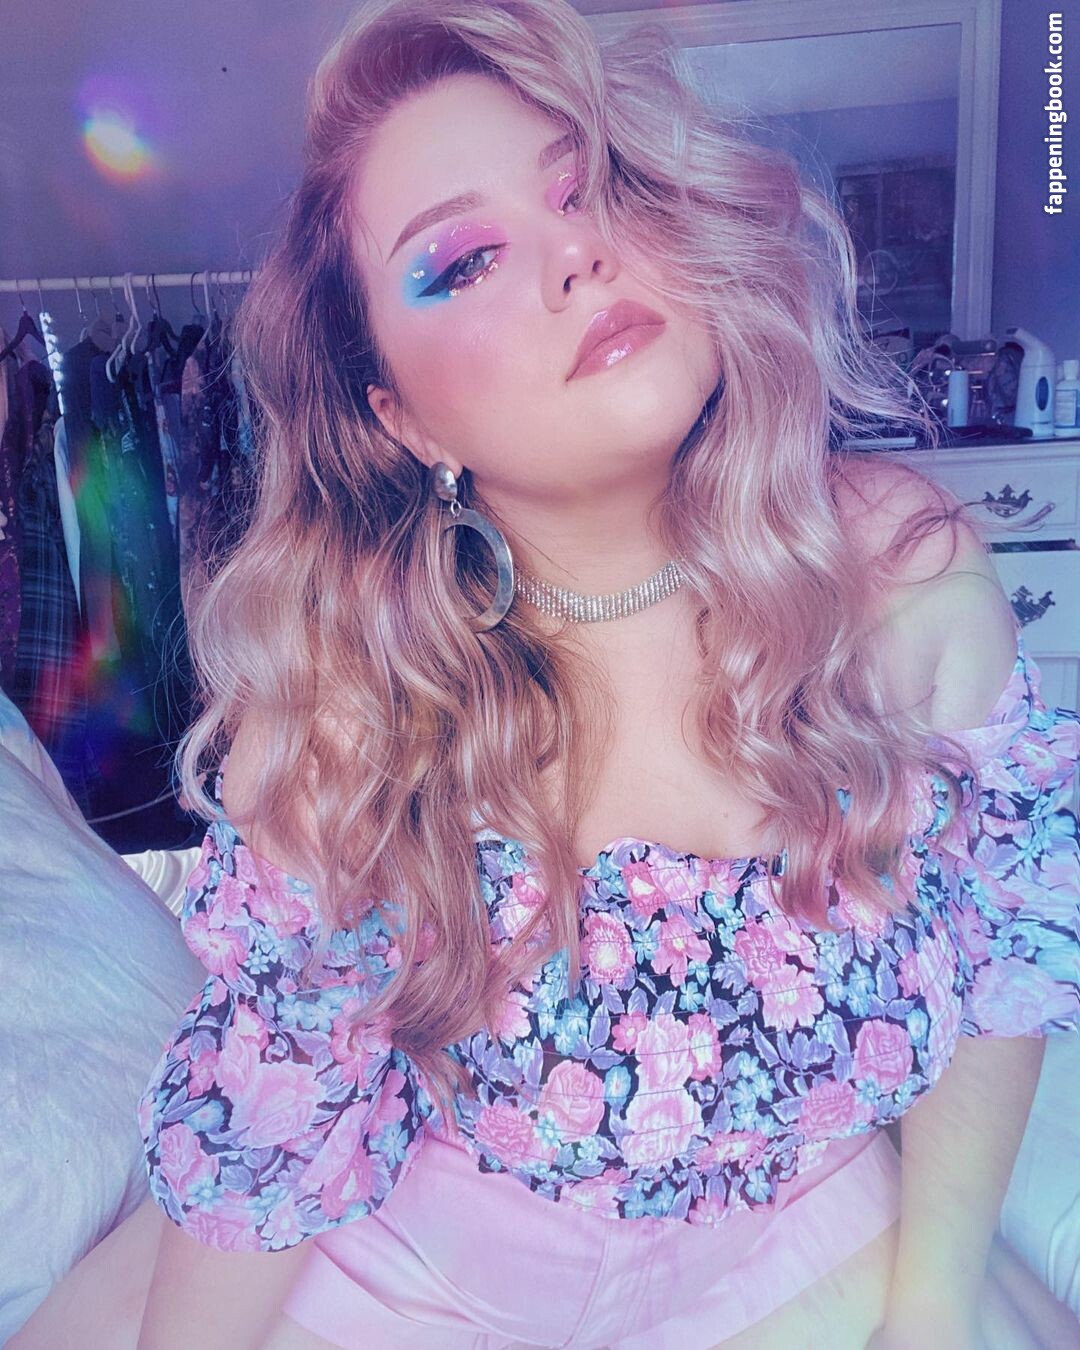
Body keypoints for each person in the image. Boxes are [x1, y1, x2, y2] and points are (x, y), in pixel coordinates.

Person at [21, 2, 1080, 1348]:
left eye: (592, 191)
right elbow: (277, 1129)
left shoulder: (898, 578)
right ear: (401, 416)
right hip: (408, 1289)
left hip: (797, 1262)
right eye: (463, 260)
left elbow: (1006, 956)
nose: (577, 254)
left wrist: (930, 1306)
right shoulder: (360, 705)